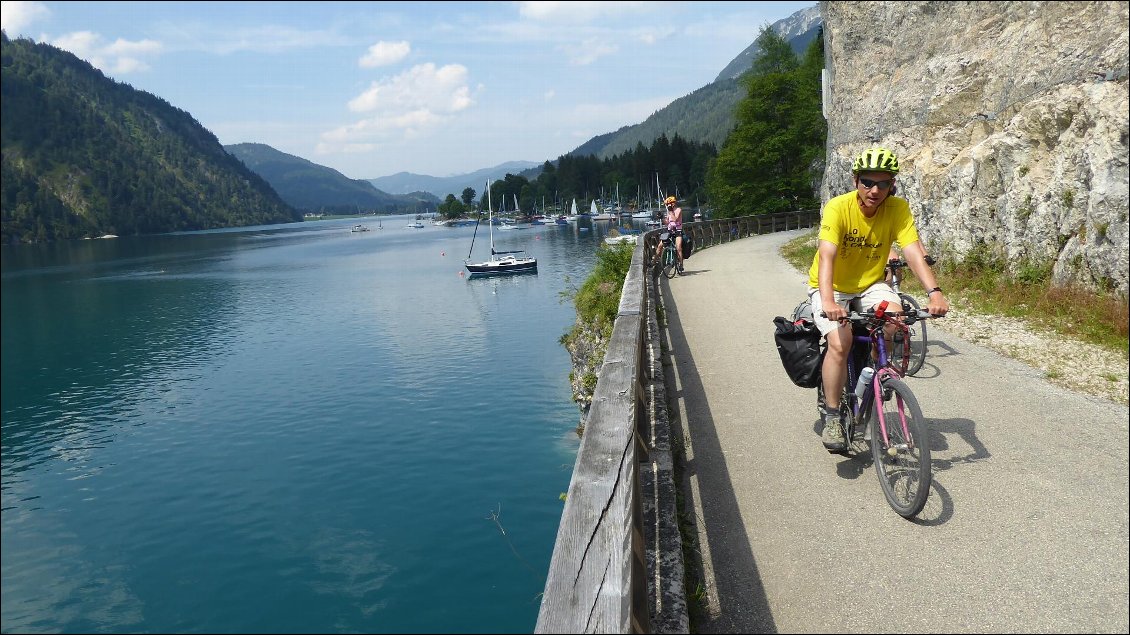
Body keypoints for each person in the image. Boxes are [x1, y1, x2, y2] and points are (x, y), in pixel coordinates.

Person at [808, 147, 949, 452]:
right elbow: (827, 256)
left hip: (871, 283)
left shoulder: (897, 209)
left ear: (892, 185)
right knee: (839, 342)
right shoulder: (838, 207)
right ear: (855, 180)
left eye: (883, 184)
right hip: (832, 286)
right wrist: (830, 302)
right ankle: (833, 415)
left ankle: (875, 374)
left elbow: (912, 250)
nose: (874, 190)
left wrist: (934, 292)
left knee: (896, 322)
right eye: (867, 182)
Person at [653, 196, 684, 272]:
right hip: (670, 231)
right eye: (666, 205)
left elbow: (675, 219)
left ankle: (681, 265)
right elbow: (667, 222)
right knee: (660, 246)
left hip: (678, 231)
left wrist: (670, 211)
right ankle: (653, 261)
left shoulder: (678, 210)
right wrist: (662, 218)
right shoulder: (669, 212)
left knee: (678, 247)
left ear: (672, 204)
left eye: (668, 204)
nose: (667, 206)